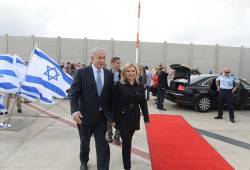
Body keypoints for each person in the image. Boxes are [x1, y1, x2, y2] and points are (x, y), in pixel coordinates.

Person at [70, 47, 115, 170]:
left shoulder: (109, 75)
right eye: (99, 57)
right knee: (85, 142)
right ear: (92, 58)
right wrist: (74, 111)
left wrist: (112, 117)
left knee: (102, 144)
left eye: (104, 57)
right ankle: (84, 161)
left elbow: (111, 97)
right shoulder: (82, 73)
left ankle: (103, 167)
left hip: (101, 117)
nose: (102, 60)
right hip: (84, 117)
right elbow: (73, 93)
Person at [112, 63, 149, 170]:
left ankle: (126, 157)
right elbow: (114, 103)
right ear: (124, 73)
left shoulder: (139, 85)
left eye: (133, 71)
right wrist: (113, 119)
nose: (131, 73)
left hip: (134, 117)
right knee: (127, 144)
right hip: (122, 117)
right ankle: (127, 167)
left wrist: (146, 118)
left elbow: (143, 102)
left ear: (136, 72)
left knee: (128, 141)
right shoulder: (119, 85)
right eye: (128, 71)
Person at [107, 57, 122, 145]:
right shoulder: (107, 73)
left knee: (119, 119)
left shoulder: (122, 73)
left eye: (120, 63)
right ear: (112, 63)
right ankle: (109, 135)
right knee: (109, 119)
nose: (119, 65)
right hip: (109, 100)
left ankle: (117, 136)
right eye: (118, 63)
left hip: (120, 100)